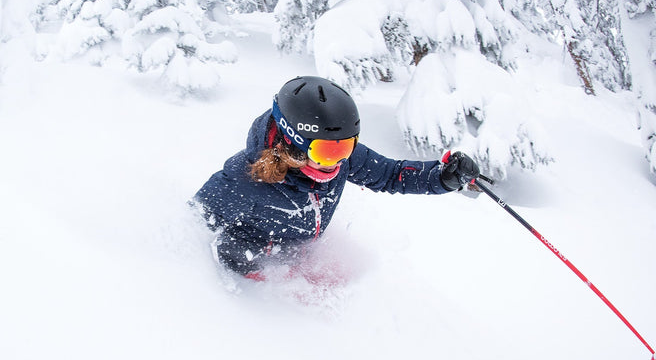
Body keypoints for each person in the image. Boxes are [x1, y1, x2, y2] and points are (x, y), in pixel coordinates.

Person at [193, 76, 480, 280]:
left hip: (299, 250)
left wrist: (442, 178)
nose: (340, 160)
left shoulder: (339, 157)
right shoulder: (243, 179)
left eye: (347, 146)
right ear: (292, 143)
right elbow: (194, 221)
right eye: (328, 151)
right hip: (251, 260)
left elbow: (391, 174)